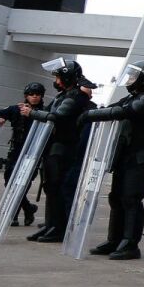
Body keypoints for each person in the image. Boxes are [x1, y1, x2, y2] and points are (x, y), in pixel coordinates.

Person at [80, 61, 144, 260]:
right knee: (116, 197)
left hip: (139, 156)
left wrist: (90, 115)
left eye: (134, 76)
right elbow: (113, 108)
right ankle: (114, 239)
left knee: (131, 198)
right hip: (124, 155)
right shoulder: (132, 97)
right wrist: (92, 113)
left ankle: (130, 243)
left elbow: (124, 112)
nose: (130, 80)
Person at [23, 59, 93, 243]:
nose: (56, 80)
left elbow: (57, 117)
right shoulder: (63, 95)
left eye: (58, 76)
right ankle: (50, 224)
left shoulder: (76, 96)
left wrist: (32, 113)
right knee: (51, 187)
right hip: (53, 147)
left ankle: (58, 228)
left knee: (59, 188)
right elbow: (47, 112)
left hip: (64, 147)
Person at [0, 83, 46, 227]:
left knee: (22, 184)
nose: (34, 97)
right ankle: (28, 208)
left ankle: (13, 215)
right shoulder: (16, 109)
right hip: (16, 152)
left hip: (32, 154)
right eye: (32, 94)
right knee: (10, 181)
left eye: (37, 94)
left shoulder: (44, 112)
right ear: (26, 95)